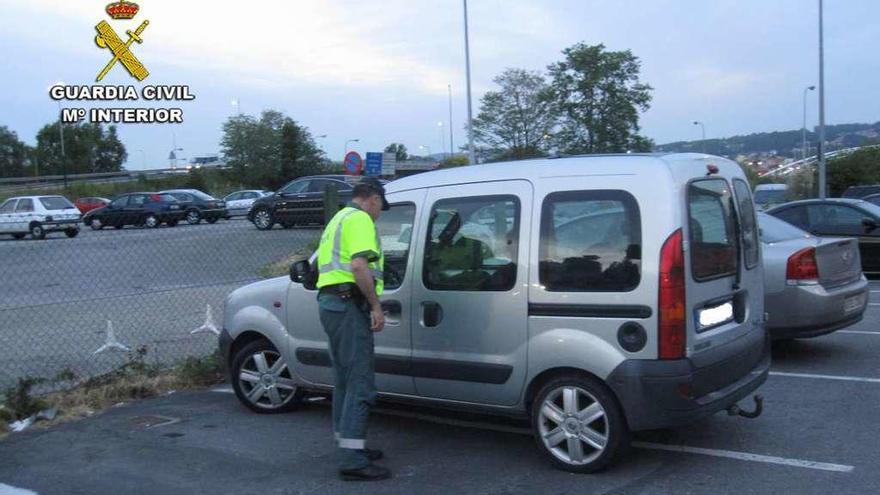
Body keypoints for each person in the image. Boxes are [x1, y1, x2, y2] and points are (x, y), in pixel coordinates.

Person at [315, 177, 391, 481]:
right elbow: (359, 266)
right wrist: (375, 306)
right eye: (381, 206)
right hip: (348, 305)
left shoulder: (339, 217)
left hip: (332, 304)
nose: (380, 212)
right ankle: (352, 460)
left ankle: (349, 444)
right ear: (372, 199)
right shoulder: (359, 219)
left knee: (345, 380)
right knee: (360, 382)